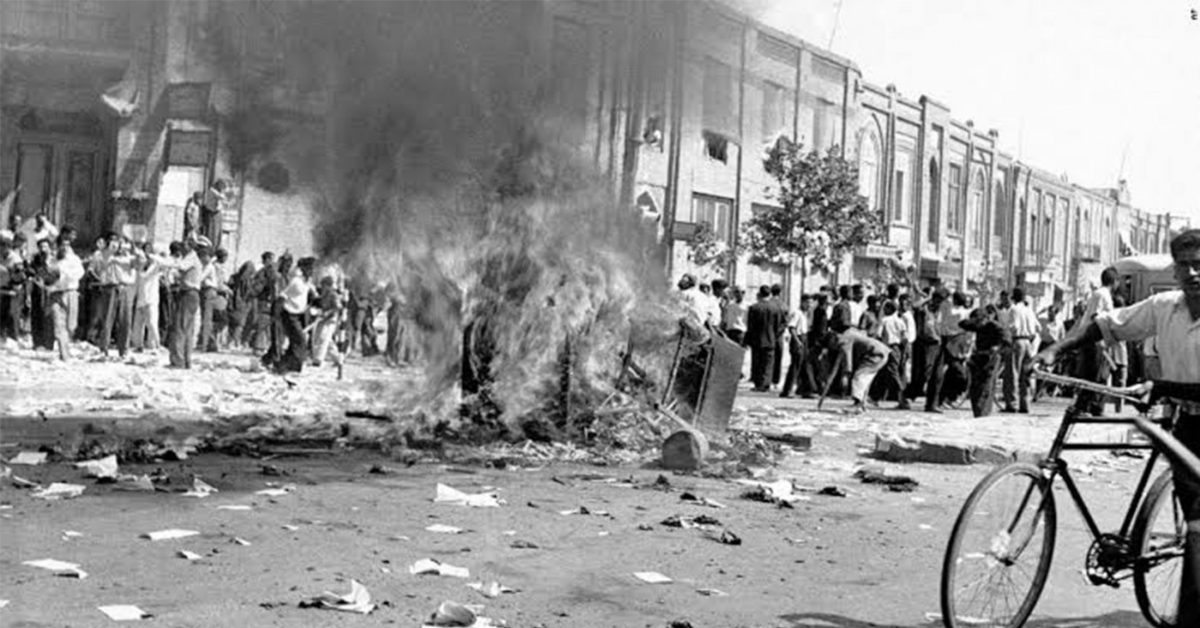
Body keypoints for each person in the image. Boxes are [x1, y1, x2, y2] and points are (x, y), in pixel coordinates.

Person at [1037, 229, 1200, 625]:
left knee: (1198, 528)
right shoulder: (1166, 307)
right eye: (1184, 265)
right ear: (1174, 270)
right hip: (1186, 426)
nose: (1193, 272)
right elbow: (1107, 325)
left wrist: (1158, 386)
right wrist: (1056, 349)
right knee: (1195, 523)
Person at [959, 304, 1012, 418]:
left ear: (985, 318)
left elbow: (1007, 340)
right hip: (979, 356)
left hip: (991, 357)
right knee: (976, 386)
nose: (978, 325)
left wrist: (997, 347)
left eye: (979, 321)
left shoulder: (994, 326)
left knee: (986, 385)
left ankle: (982, 412)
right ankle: (978, 411)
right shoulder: (978, 325)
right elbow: (962, 323)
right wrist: (972, 321)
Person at [827, 327, 890, 414]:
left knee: (859, 377)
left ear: (833, 339)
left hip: (876, 353)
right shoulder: (849, 332)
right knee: (866, 379)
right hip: (880, 351)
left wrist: (845, 377)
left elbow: (848, 363)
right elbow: (863, 333)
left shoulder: (844, 342)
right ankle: (862, 404)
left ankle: (858, 404)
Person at [1001, 287, 1041, 413]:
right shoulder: (1029, 310)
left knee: (1012, 373)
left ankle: (1012, 404)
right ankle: (1025, 404)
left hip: (1016, 341)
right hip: (1028, 342)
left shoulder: (1014, 309)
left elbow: (1014, 326)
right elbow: (1038, 327)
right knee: (1025, 375)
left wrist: (1005, 333)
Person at [45, 235, 85, 360]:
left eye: (67, 245)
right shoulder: (52, 260)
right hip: (56, 294)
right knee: (58, 324)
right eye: (62, 245)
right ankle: (63, 354)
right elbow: (47, 278)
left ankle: (67, 348)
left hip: (71, 293)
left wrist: (62, 274)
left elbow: (79, 274)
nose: (64, 248)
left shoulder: (74, 259)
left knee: (70, 325)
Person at [276, 257, 318, 374]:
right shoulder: (296, 281)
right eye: (311, 268)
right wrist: (277, 313)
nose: (313, 271)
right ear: (304, 268)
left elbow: (314, 296)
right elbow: (282, 295)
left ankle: (282, 366)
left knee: (295, 341)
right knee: (300, 340)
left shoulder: (307, 282)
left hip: (298, 315)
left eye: (314, 269)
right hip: (288, 313)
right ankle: (292, 368)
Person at [873, 300, 910, 409]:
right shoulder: (900, 321)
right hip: (897, 348)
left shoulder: (884, 320)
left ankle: (902, 397)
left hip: (886, 347)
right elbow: (905, 338)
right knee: (885, 372)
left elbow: (878, 334)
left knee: (892, 372)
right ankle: (876, 397)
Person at [744, 286, 783, 392]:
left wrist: (748, 339)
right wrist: (775, 335)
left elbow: (750, 326)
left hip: (757, 339)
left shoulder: (754, 308)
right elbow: (779, 324)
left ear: (760, 294)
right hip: (771, 338)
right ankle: (766, 383)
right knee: (768, 362)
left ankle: (758, 383)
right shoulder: (775, 308)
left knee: (757, 362)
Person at [131, 244, 164, 352]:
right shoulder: (140, 266)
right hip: (141, 297)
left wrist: (150, 255)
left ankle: (155, 345)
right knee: (138, 324)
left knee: (152, 323)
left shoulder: (155, 266)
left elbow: (162, 261)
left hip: (151, 298)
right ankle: (138, 345)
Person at [779, 293, 812, 399]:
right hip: (798, 338)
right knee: (795, 365)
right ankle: (787, 390)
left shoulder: (805, 314)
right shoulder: (797, 313)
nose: (809, 305)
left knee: (804, 365)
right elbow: (791, 328)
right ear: (802, 302)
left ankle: (806, 390)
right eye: (807, 303)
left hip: (805, 338)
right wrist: (797, 341)